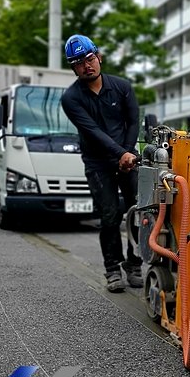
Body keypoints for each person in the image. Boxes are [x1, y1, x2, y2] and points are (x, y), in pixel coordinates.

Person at [60, 34, 142, 293]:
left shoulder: (122, 87)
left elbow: (133, 122)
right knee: (109, 216)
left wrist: (127, 154)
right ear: (73, 68)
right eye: (79, 63)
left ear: (99, 57)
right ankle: (112, 269)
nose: (87, 66)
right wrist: (120, 154)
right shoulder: (71, 98)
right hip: (98, 163)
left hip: (128, 158)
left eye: (89, 58)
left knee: (139, 213)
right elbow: (92, 131)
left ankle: (134, 263)